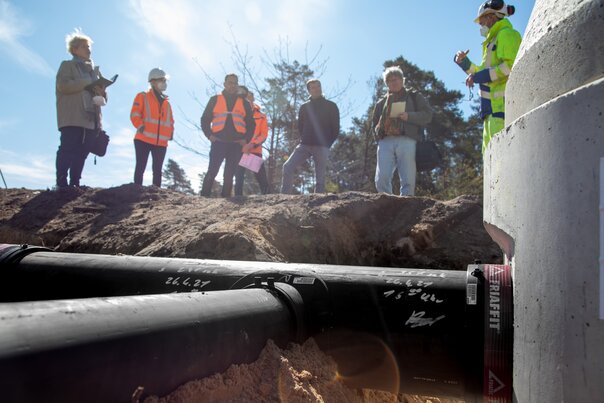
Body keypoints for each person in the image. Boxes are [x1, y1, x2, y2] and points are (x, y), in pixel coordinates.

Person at [454, 0, 521, 153]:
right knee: (490, 157)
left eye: (481, 20)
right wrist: (464, 63)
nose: (480, 25)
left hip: (502, 108)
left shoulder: (507, 35)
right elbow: (482, 72)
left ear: (491, 17)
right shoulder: (491, 42)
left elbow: (510, 67)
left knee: (502, 154)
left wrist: (479, 76)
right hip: (490, 111)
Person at [55, 29, 107, 189]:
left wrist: (102, 92)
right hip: (72, 116)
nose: (88, 50)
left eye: (89, 47)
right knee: (67, 149)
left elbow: (104, 96)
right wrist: (87, 83)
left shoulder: (95, 72)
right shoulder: (67, 66)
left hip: (91, 118)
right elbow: (63, 86)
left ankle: (75, 182)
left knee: (83, 152)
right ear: (74, 49)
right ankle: (61, 183)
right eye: (84, 46)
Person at [372, 66, 433, 196]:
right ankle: (386, 204)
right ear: (386, 83)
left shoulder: (414, 96)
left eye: (397, 79)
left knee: (408, 178)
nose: (394, 82)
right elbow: (374, 124)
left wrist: (409, 116)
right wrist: (378, 136)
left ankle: (406, 205)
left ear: (402, 80)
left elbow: (428, 115)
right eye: (390, 80)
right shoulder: (381, 103)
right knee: (381, 178)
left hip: (407, 139)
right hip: (385, 141)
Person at [200, 74, 255, 197]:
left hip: (236, 144)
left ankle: (225, 202)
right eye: (230, 82)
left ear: (237, 85)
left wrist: (245, 139)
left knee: (229, 174)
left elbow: (251, 124)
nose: (232, 85)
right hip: (218, 142)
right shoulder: (214, 99)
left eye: (235, 83)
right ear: (224, 84)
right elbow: (204, 119)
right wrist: (209, 135)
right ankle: (203, 197)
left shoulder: (245, 103)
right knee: (212, 171)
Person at [281, 79, 339, 194]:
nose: (316, 89)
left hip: (322, 146)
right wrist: (305, 138)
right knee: (287, 166)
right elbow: (301, 126)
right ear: (309, 90)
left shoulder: (331, 106)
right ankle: (284, 197)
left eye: (318, 86)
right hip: (305, 145)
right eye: (313, 87)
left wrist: (327, 145)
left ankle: (318, 203)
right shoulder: (304, 107)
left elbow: (335, 128)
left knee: (320, 179)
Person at [130, 68, 174, 187]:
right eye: (162, 80)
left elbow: (171, 121)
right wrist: (140, 125)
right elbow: (135, 113)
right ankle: (137, 190)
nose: (164, 82)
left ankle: (156, 194)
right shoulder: (142, 96)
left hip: (161, 143)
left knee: (158, 170)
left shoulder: (167, 103)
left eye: (165, 80)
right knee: (140, 166)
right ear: (153, 82)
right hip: (143, 139)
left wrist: (171, 133)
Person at [234, 89, 270, 195]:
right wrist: (242, 145)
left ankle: (269, 200)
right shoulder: (237, 113)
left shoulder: (261, 115)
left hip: (254, 150)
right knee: (239, 177)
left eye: (250, 97)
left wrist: (252, 144)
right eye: (245, 97)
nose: (247, 99)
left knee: (261, 178)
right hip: (239, 149)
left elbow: (263, 134)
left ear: (253, 98)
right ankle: (237, 199)